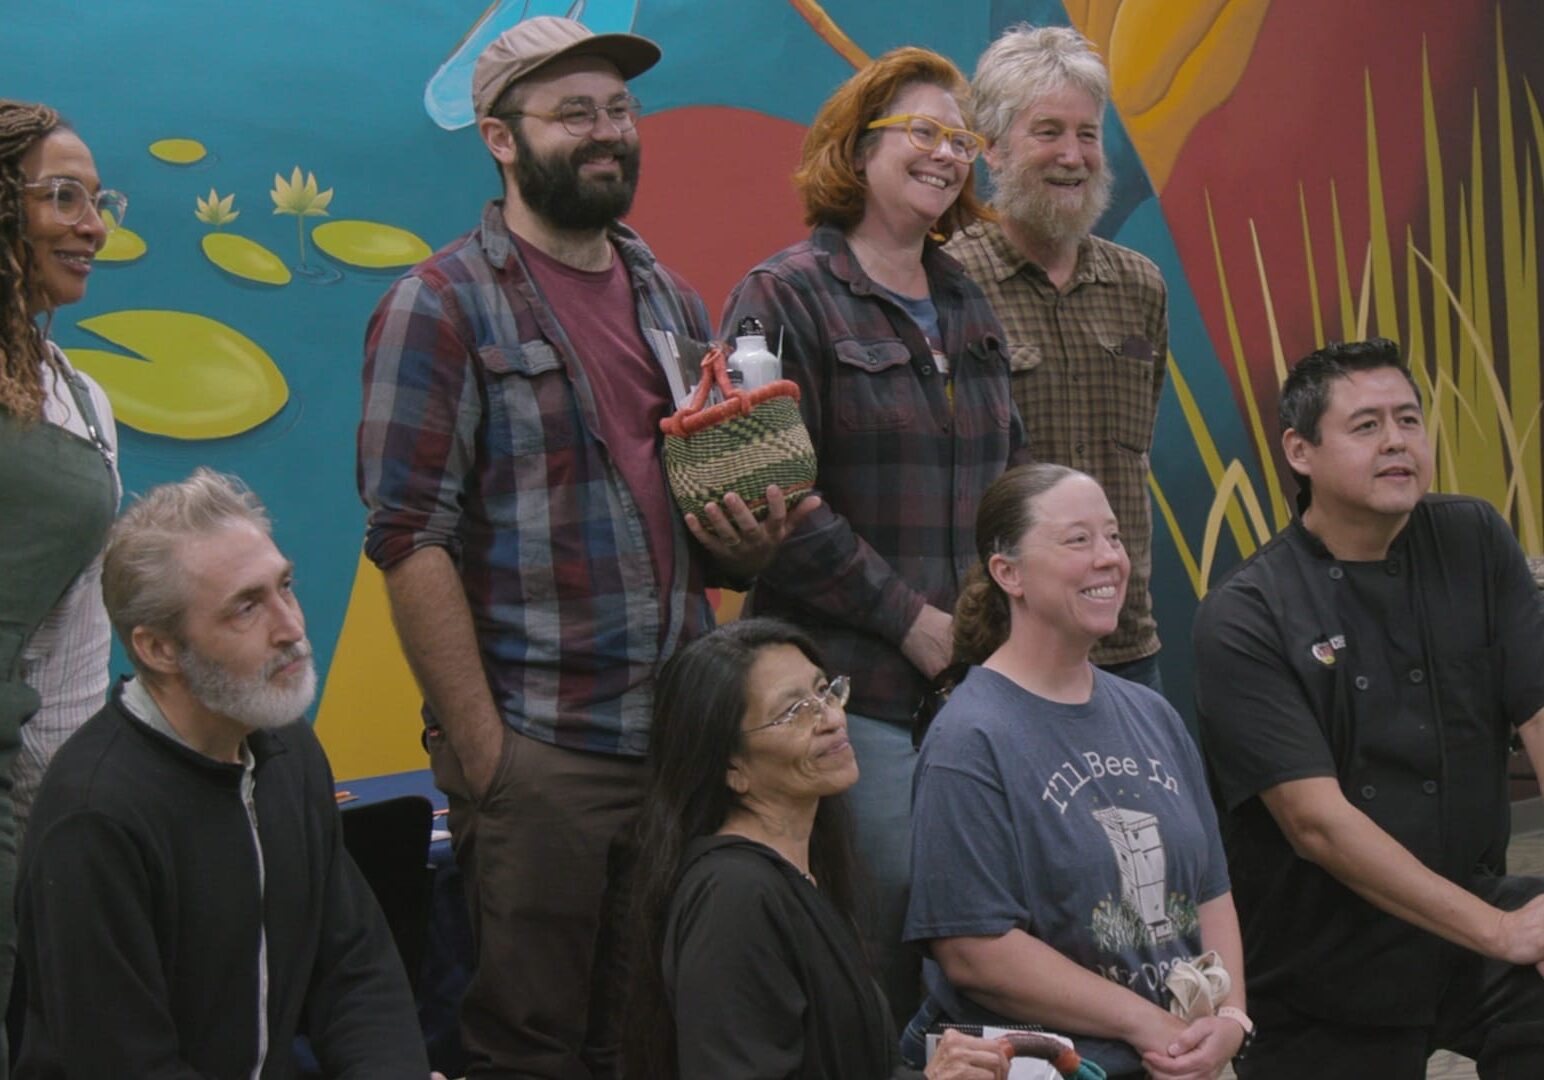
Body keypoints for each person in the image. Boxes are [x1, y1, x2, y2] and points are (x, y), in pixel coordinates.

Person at [357, 16, 811, 1077]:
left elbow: (699, 520)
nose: (606, 134)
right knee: (528, 1046)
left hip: (677, 745)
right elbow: (408, 540)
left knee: (652, 1036)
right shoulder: (439, 307)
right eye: (573, 115)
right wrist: (488, 760)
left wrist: (744, 542)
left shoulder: (669, 298)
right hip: (542, 750)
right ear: (499, 138)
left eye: (618, 110)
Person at [720, 45, 1026, 1028]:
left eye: (959, 138)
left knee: (982, 934)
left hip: (973, 691)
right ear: (855, 145)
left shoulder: (970, 302)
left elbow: (1004, 482)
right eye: (920, 133)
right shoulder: (782, 295)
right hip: (852, 694)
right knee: (879, 929)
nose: (945, 154)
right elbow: (771, 499)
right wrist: (912, 624)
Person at [1193, 338, 1544, 1078]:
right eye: (1367, 426)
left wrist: (1511, 929)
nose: (1397, 442)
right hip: (1326, 960)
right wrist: (1502, 932)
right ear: (1300, 450)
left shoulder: (1474, 538)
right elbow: (1316, 824)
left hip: (1474, 904)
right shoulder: (1248, 614)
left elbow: (1540, 714)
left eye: (1409, 420)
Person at [15, 468, 434, 1078]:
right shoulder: (93, 818)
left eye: (284, 586)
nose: (291, 627)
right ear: (159, 648)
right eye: (245, 607)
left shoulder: (287, 750)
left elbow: (354, 965)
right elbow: (127, 1063)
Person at [905, 464, 1248, 1080]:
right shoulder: (969, 737)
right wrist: (1147, 1024)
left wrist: (1231, 1020)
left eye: (1112, 537)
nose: (1108, 558)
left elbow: (1210, 891)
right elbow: (972, 950)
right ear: (1007, 573)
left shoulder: (1153, 714)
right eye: (1078, 540)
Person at [623, 618, 1012, 1080]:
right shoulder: (733, 896)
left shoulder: (804, 871)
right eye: (794, 712)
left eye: (825, 691)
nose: (831, 718)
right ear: (731, 765)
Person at [946, 25, 1167, 692]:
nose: (1073, 155)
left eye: (1088, 134)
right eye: (1048, 131)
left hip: (1127, 643)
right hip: (1004, 649)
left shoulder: (1141, 287)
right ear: (993, 151)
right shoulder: (948, 283)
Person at [0, 98, 122, 1061]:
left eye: (98, 199)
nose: (93, 225)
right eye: (62, 197)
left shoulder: (83, 398)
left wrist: (70, 806)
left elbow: (77, 636)